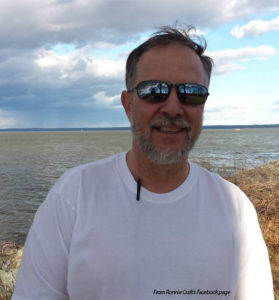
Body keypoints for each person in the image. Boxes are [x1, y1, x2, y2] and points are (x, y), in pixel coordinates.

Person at [12, 26, 274, 300]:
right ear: (128, 105)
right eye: (154, 91)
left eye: (191, 93)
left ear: (203, 106)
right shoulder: (74, 196)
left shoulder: (236, 209)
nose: (173, 108)